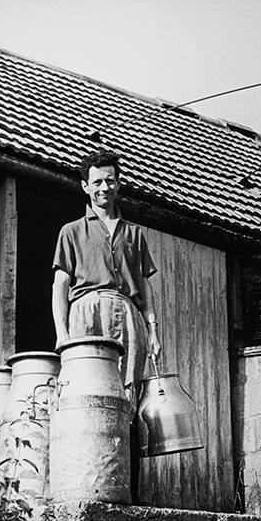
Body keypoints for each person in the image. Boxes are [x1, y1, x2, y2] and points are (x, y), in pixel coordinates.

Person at [51, 149, 161, 418]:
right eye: (97, 182)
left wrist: (154, 331)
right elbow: (60, 286)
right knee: (87, 387)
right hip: (85, 312)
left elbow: (145, 286)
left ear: (118, 184)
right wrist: (62, 334)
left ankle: (123, 456)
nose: (104, 188)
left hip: (127, 315)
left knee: (127, 391)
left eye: (110, 181)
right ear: (85, 187)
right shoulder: (72, 231)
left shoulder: (134, 233)